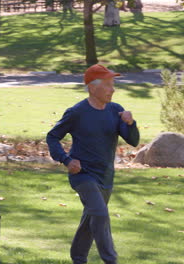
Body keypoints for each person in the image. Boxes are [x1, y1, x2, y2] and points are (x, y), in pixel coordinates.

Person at [46, 64, 140, 264]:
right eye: (107, 84)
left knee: (92, 217)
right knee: (99, 213)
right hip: (82, 174)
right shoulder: (77, 112)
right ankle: (110, 260)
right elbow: (52, 137)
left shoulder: (116, 110)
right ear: (92, 87)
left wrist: (130, 124)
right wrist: (67, 160)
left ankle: (78, 257)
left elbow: (133, 140)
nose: (112, 89)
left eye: (112, 84)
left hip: (106, 175)